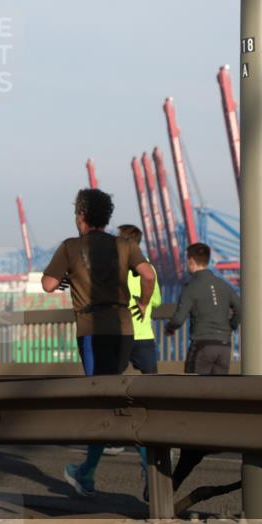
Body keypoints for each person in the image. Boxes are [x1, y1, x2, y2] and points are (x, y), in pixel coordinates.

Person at [41, 189, 155, 498]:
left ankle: (89, 473)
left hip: (92, 330)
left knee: (104, 401)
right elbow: (147, 274)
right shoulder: (126, 245)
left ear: (80, 215)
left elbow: (48, 284)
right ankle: (148, 467)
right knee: (115, 396)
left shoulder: (70, 246)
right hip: (124, 329)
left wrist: (68, 278)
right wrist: (143, 303)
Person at [165, 242, 242, 491]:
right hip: (224, 346)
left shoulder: (192, 287)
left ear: (191, 261)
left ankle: (194, 442)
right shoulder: (223, 285)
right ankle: (213, 436)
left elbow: (178, 317)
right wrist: (230, 327)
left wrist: (169, 329)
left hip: (202, 346)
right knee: (216, 395)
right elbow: (240, 309)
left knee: (193, 396)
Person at [118, 225, 162, 374]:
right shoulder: (149, 268)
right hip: (143, 334)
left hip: (119, 334)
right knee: (151, 382)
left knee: (109, 380)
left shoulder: (115, 267)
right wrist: (144, 302)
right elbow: (156, 301)